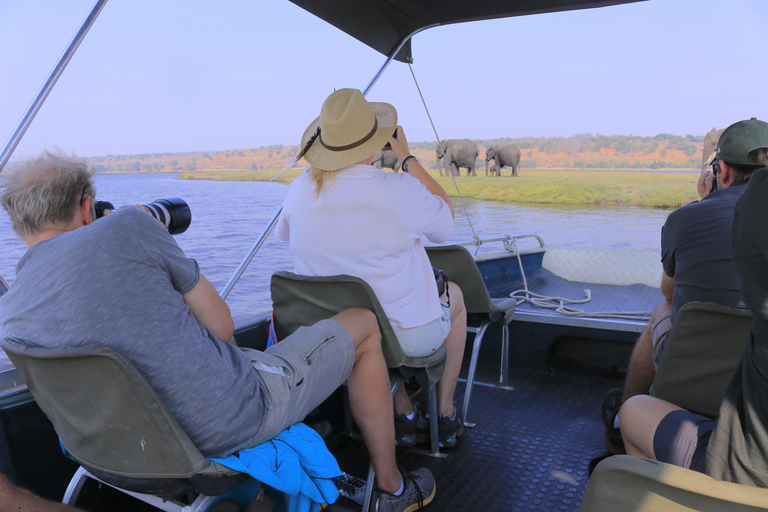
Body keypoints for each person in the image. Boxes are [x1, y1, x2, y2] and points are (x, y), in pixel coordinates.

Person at [0, 150, 434, 512]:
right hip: (231, 420)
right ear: (84, 206)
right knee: (362, 323)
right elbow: (223, 327)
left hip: (111, 455)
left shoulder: (11, 313)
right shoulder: (128, 225)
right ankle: (392, 489)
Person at [276, 88, 468, 451]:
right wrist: (408, 159)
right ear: (376, 143)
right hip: (399, 337)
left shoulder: (300, 188)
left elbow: (285, 233)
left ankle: (406, 412)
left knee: (372, 316)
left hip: (327, 334)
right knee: (454, 296)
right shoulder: (399, 188)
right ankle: (444, 412)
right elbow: (446, 223)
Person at [601, 118, 768, 454]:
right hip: (757, 397)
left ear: (721, 171)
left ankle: (627, 414)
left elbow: (668, 292)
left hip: (694, 383)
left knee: (662, 310)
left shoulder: (684, 219)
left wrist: (701, 204)